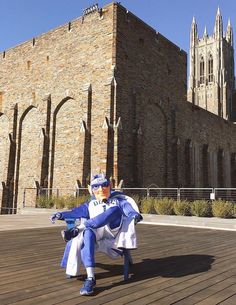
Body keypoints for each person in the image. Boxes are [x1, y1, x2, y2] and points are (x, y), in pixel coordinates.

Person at [50, 173, 143, 296]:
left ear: (109, 186)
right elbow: (75, 212)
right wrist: (60, 215)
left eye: (104, 185)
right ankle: (90, 278)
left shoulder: (119, 200)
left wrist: (134, 215)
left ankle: (78, 229)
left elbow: (129, 210)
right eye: (96, 186)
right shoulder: (90, 204)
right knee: (87, 233)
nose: (101, 189)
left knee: (114, 210)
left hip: (113, 234)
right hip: (96, 234)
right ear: (91, 189)